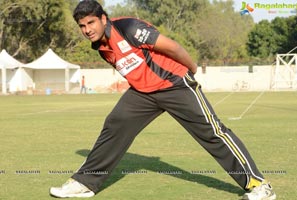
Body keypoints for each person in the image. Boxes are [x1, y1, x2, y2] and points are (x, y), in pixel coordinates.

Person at [50, 1, 276, 199]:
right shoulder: (100, 46)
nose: (87, 30)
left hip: (174, 84)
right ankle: (85, 183)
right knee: (115, 123)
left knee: (213, 132)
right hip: (143, 93)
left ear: (103, 18)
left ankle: (259, 186)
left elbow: (173, 47)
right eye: (82, 26)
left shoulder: (128, 28)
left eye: (91, 23)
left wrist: (192, 69)